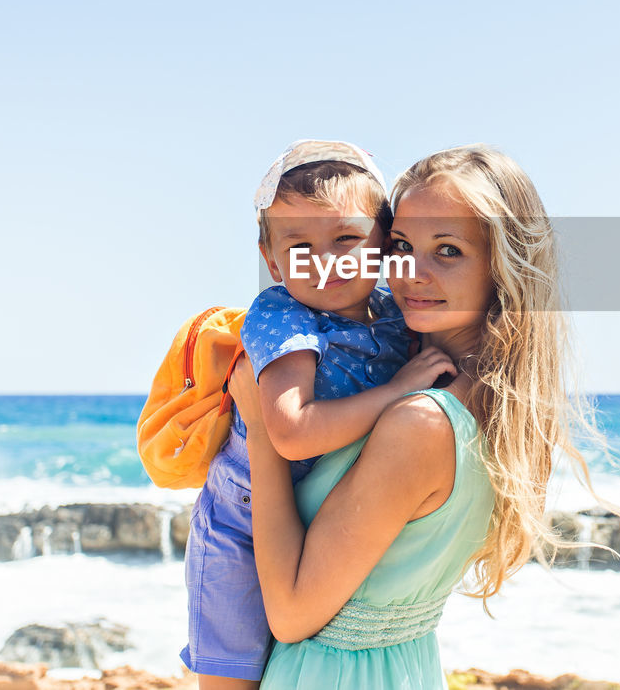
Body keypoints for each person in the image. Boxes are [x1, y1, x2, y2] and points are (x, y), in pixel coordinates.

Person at [231, 144, 604, 689]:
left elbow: (290, 614)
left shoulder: (421, 423)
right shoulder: (493, 403)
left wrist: (261, 429)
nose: (411, 273)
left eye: (447, 250)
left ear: (502, 266)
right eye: (402, 245)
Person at [181, 139, 456, 690]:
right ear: (271, 258)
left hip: (311, 516)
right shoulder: (284, 316)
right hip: (242, 524)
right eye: (300, 244)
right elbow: (292, 431)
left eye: (348, 239)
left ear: (385, 243)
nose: (325, 261)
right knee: (231, 678)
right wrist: (398, 389)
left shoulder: (393, 316)